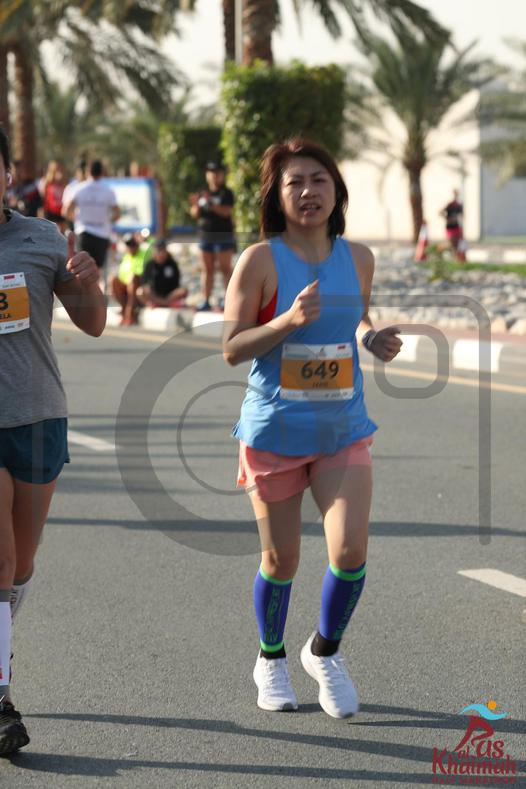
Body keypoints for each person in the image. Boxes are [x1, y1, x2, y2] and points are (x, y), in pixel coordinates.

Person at [223, 137, 402, 719]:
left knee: (349, 550)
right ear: (276, 196)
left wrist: (370, 336)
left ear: (336, 190)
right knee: (282, 561)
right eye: (294, 182)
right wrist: (288, 320)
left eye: (318, 180)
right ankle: (270, 658)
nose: (308, 191)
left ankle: (324, 652)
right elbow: (232, 347)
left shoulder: (360, 258)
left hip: (341, 427)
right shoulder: (259, 260)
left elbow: (356, 316)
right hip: (274, 429)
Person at [0, 125, 106, 754]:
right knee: (0, 562)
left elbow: (91, 325)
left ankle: (1, 644)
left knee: (21, 565)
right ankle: (1, 697)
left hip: (39, 418)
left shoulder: (42, 238)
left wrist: (90, 282)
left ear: (8, 175)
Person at [190, 161, 235, 311]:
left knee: (225, 269)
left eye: (217, 173)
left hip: (223, 235)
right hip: (205, 235)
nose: (214, 176)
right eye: (211, 173)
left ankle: (228, 300)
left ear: (222, 175)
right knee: (207, 269)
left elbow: (226, 212)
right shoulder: (202, 192)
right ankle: (206, 300)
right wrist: (197, 206)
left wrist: (211, 204)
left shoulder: (226, 193)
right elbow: (195, 213)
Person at [63, 159, 120, 275]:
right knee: (97, 271)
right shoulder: (108, 191)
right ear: (102, 172)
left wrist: (76, 219)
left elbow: (66, 211)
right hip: (102, 233)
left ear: (88, 172)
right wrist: (107, 221)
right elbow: (117, 214)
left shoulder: (79, 188)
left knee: (82, 269)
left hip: (84, 231)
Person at [136, 239, 188, 307]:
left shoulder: (172, 264)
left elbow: (176, 283)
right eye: (159, 250)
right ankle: (163, 303)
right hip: (154, 295)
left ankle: (163, 303)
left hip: (169, 295)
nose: (161, 253)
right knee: (140, 292)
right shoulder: (150, 265)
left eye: (163, 250)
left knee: (183, 291)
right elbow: (144, 282)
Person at [110, 233, 146, 325]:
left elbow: (139, 275)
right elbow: (122, 275)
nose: (131, 247)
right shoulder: (126, 257)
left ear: (137, 245)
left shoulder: (144, 254)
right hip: (126, 286)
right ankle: (124, 310)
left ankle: (129, 315)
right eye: (128, 245)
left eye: (133, 244)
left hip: (138, 286)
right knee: (113, 280)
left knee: (133, 281)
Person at [39, 160, 67, 232]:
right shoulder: (46, 182)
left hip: (61, 212)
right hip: (50, 212)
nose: (59, 171)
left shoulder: (64, 182)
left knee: (61, 233)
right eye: (56, 169)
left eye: (60, 168)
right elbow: (43, 199)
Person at [441, 189, 463, 257]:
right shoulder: (450, 205)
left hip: (456, 226)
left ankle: (455, 256)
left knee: (456, 243)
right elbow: (441, 212)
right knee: (451, 242)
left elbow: (461, 215)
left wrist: (456, 219)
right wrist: (447, 219)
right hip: (450, 226)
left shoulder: (459, 205)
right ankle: (451, 254)